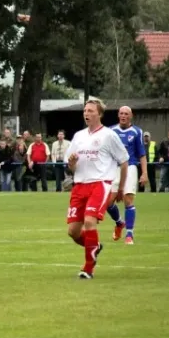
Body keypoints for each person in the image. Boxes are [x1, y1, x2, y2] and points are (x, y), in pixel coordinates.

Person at [64, 99, 129, 279]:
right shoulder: (78, 136)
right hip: (79, 186)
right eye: (85, 110)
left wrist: (121, 188)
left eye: (91, 110)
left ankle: (88, 268)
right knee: (73, 231)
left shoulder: (109, 135)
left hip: (100, 184)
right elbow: (70, 167)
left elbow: (124, 162)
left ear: (99, 114)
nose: (87, 113)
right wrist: (71, 163)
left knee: (90, 222)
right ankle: (95, 246)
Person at [105, 106, 147, 245]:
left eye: (126, 114)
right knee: (108, 203)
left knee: (128, 200)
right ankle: (119, 223)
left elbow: (142, 154)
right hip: (113, 169)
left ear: (131, 116)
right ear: (118, 115)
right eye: (121, 113)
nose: (123, 116)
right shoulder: (110, 131)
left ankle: (129, 234)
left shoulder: (137, 132)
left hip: (130, 167)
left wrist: (144, 173)